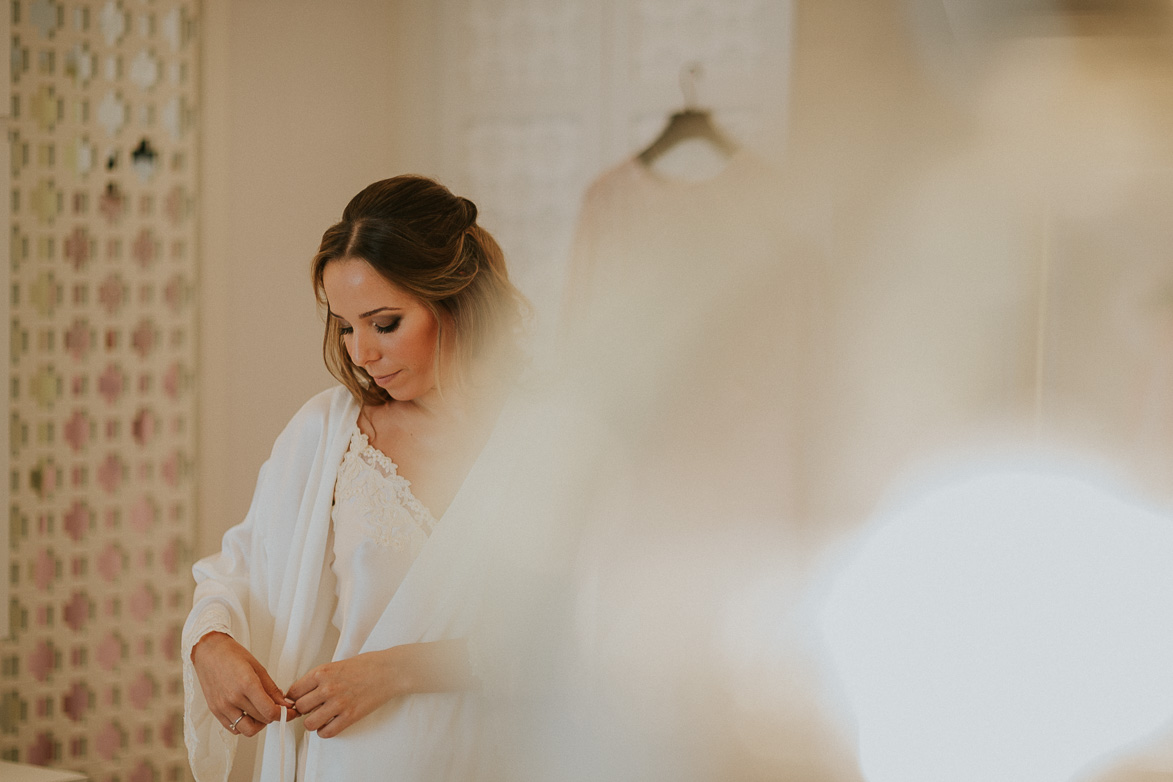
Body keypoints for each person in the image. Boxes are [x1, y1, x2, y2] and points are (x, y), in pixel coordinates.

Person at [182, 175, 528, 782]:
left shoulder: (551, 439)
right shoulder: (327, 434)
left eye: (384, 323)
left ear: (457, 301)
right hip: (347, 764)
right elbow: (236, 572)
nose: (362, 352)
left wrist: (397, 670)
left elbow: (590, 634)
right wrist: (210, 645)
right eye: (345, 326)